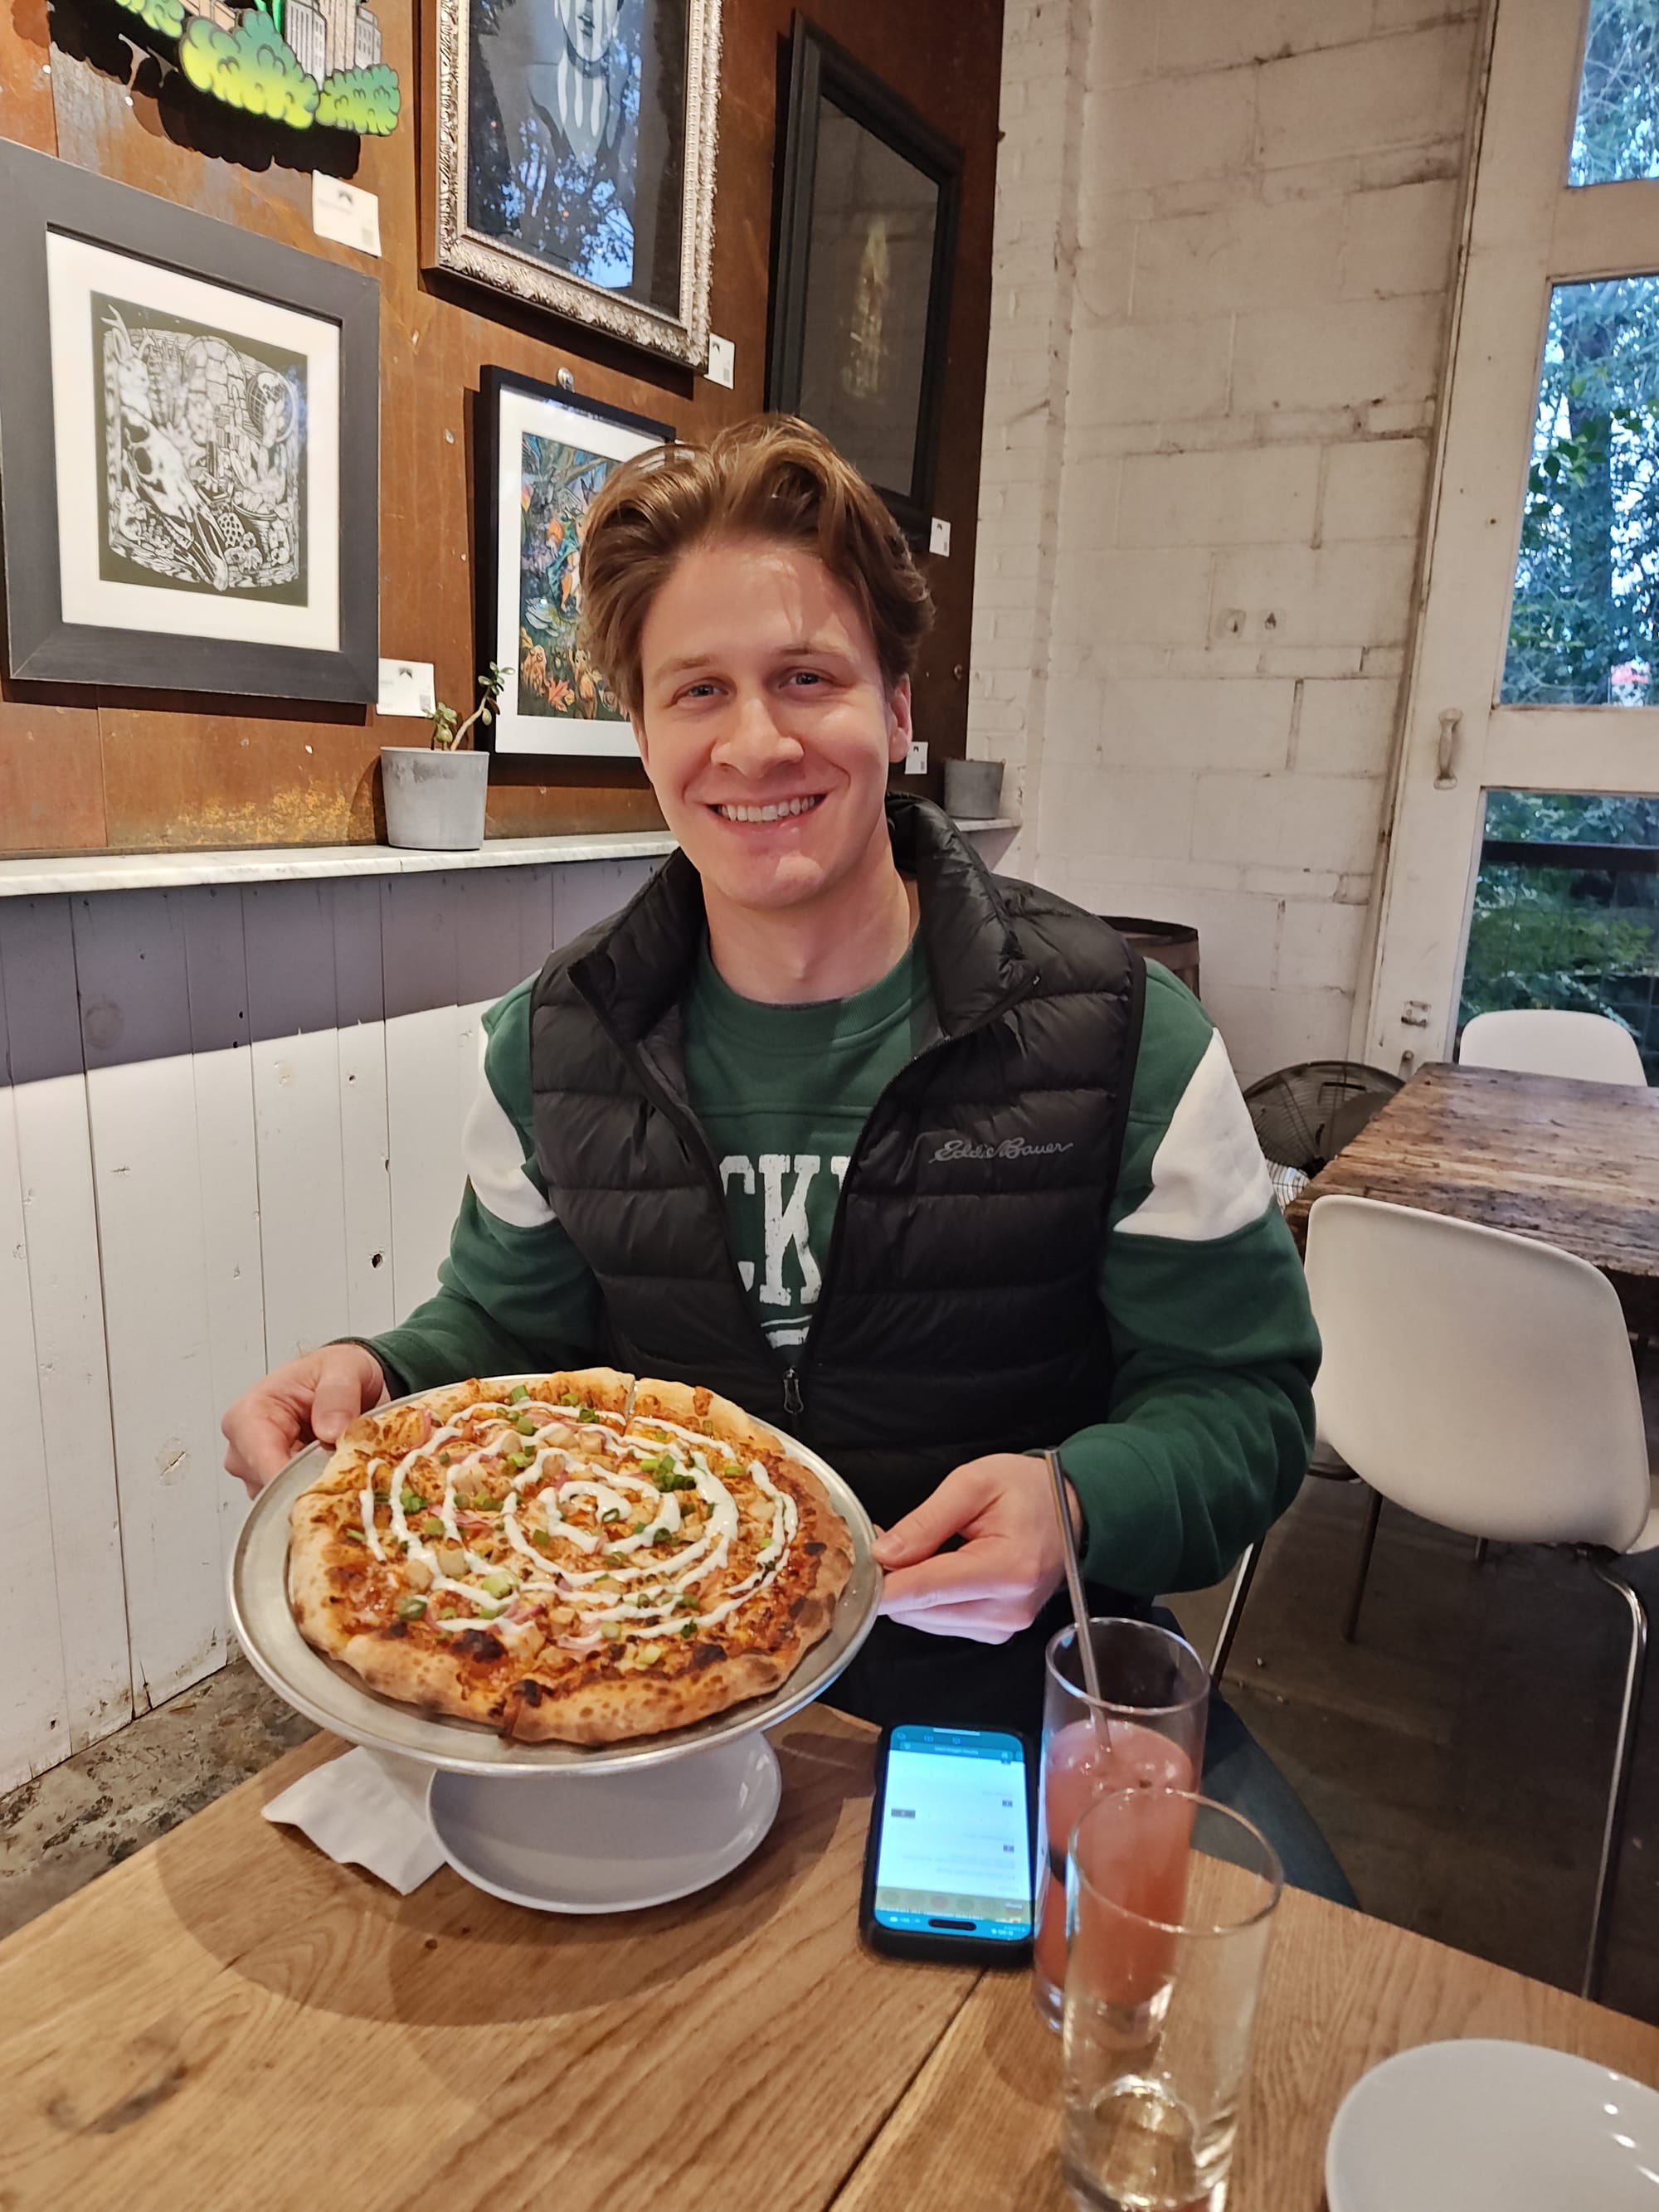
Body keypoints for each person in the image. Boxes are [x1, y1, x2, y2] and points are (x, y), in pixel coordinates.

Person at [223, 416, 1345, 1892]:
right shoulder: (548, 1044)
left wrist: (1077, 1500)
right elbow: (505, 1335)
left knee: (1279, 1996)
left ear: (894, 699)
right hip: (636, 1701)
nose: (755, 744)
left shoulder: (1128, 1036)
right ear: (642, 730)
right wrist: (376, 1373)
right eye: (699, 691)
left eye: (806, 678)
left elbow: (1247, 1407)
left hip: (1003, 1688)